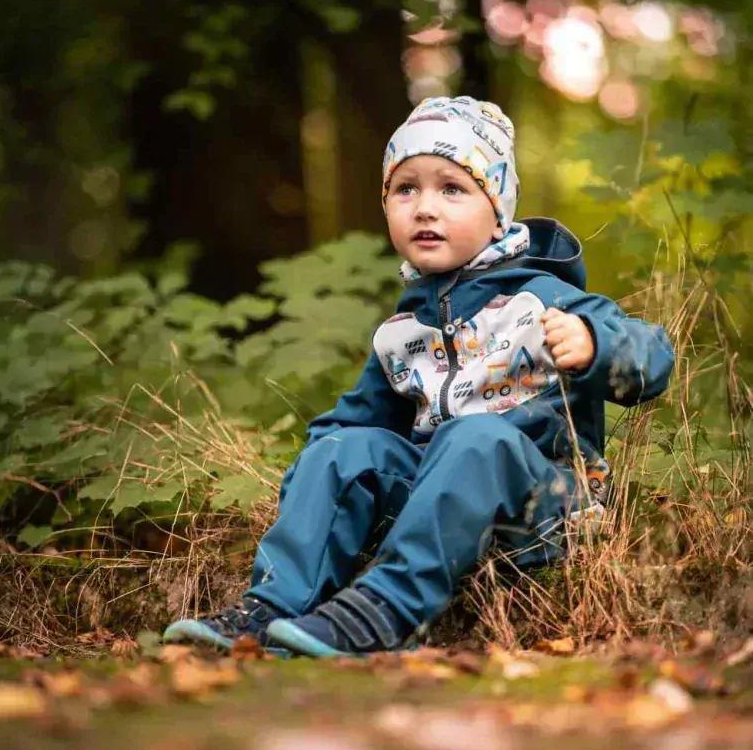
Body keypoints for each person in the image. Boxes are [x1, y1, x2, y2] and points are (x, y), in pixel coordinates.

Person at [163, 96, 674, 657]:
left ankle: (383, 609)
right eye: (406, 189)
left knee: (473, 436)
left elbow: (653, 360)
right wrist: (316, 476)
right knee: (340, 449)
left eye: (452, 189)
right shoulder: (403, 332)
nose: (425, 208)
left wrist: (596, 344)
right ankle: (273, 606)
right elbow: (354, 429)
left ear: (497, 209)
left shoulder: (546, 299)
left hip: (547, 506)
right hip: (438, 501)